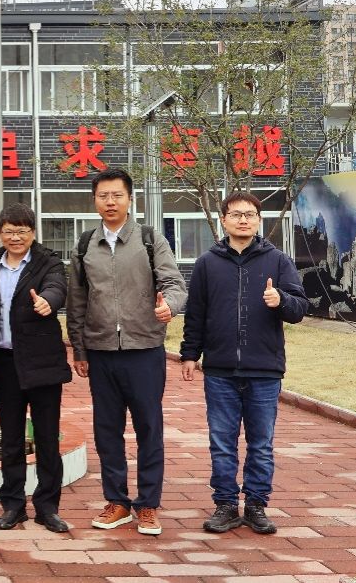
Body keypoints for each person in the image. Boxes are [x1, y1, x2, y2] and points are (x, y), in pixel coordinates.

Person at [65, 168, 186, 537]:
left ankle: (148, 505)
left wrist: (170, 306)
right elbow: (77, 300)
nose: (110, 202)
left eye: (117, 195)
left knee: (149, 428)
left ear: (130, 199)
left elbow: (174, 283)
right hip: (101, 351)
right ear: (94, 200)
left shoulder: (149, 239)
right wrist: (79, 347)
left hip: (144, 349)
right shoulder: (85, 245)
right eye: (103, 196)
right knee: (107, 430)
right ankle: (117, 501)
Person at [179, 191, 308, 536]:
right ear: (224, 220)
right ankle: (225, 504)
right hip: (219, 370)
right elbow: (196, 314)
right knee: (222, 442)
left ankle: (255, 505)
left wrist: (281, 299)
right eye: (236, 214)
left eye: (250, 214)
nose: (243, 220)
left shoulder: (278, 261)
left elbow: (299, 308)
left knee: (261, 444)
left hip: (264, 370)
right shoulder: (207, 263)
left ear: (258, 220)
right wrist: (190, 353)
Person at [0, 202, 72, 534]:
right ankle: (13, 505)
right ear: (0, 233)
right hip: (5, 363)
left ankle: (47, 508)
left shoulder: (49, 262)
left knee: (47, 439)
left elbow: (57, 287)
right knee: (11, 439)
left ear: (33, 233)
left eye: (22, 231)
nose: (15, 237)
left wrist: (48, 300)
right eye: (9, 231)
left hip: (42, 363)